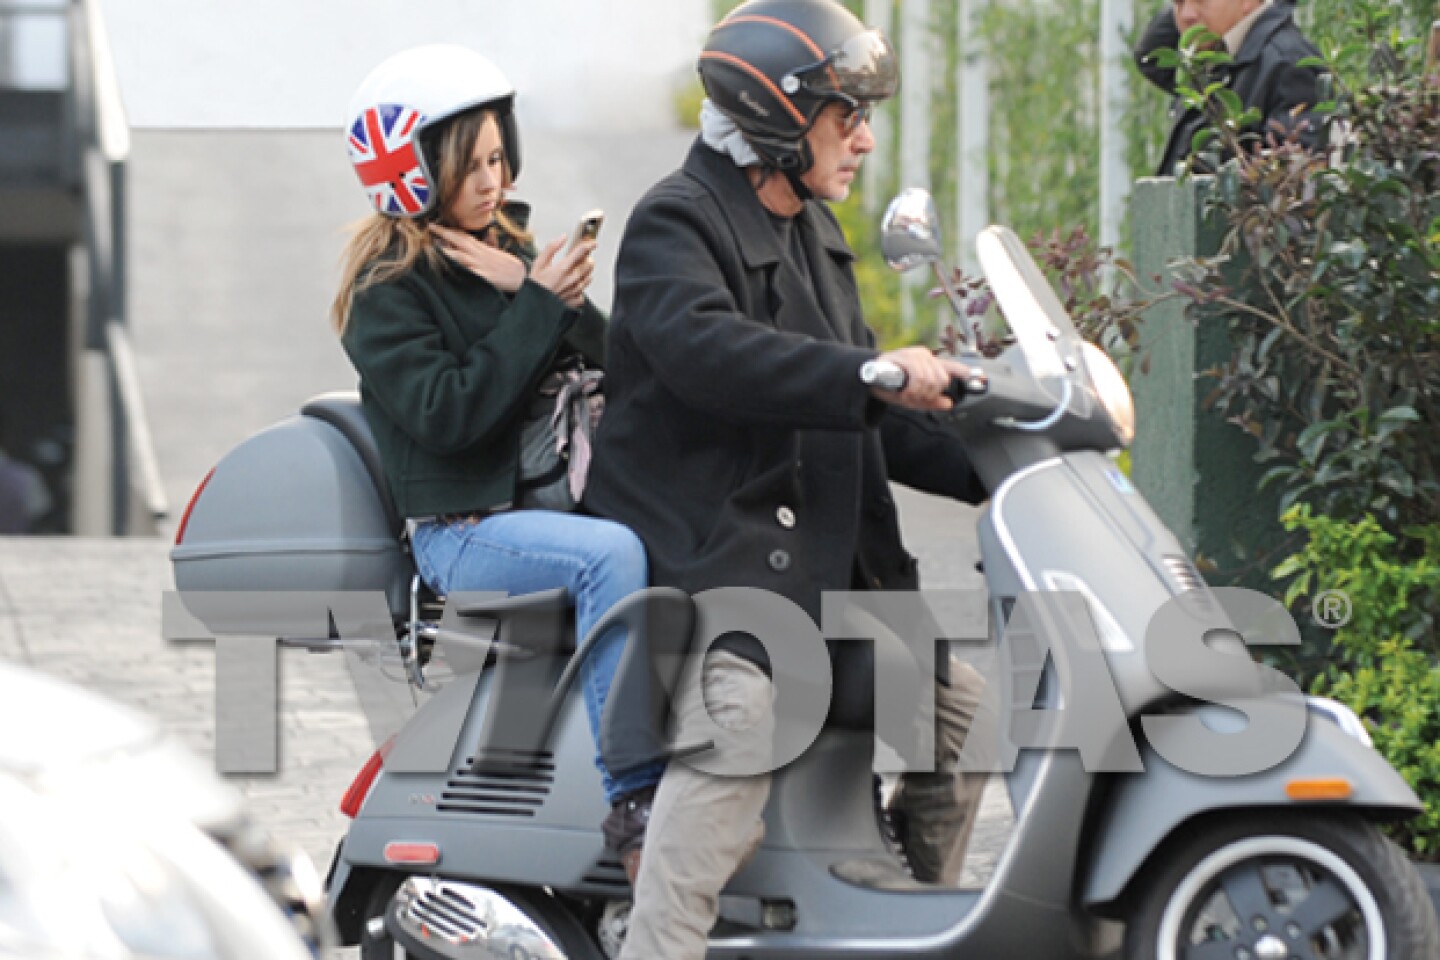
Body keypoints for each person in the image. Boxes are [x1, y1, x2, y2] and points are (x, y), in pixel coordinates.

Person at [581, 2, 991, 956]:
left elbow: (870, 415)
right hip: (718, 583)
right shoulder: (673, 223)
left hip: (820, 590)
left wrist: (1002, 461)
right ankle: (660, 943)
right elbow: (713, 354)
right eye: (844, 115)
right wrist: (867, 372)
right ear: (775, 117)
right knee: (740, 730)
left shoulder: (811, 228)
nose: (865, 137)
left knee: (961, 714)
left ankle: (907, 924)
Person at [331, 45, 664, 825]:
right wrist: (537, 309)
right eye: (470, 166)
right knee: (611, 556)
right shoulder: (386, 292)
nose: (494, 181)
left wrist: (542, 293)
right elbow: (448, 417)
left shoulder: (507, 249)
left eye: (497, 158)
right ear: (415, 168)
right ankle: (635, 799)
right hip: (462, 528)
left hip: (541, 499)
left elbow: (622, 366)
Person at [1135, 0, 1324, 175]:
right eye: (1178, 2)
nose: (1187, 14)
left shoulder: (1287, 66)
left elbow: (1294, 190)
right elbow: (1151, 57)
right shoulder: (1214, 57)